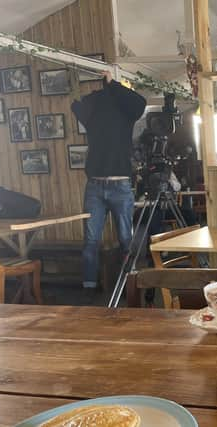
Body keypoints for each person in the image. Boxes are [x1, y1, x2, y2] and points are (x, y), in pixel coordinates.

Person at [71, 71, 147, 289]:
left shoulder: (125, 110)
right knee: (93, 241)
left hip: (116, 183)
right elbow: (77, 105)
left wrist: (111, 84)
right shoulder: (99, 107)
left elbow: (139, 103)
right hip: (98, 184)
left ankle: (129, 284)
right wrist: (110, 86)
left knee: (124, 240)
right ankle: (90, 286)